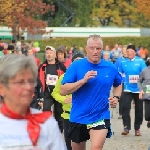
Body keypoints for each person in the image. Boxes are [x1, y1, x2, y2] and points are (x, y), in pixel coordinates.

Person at [60, 34, 122, 150]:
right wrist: (82, 81)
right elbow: (63, 90)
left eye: (98, 48)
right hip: (79, 116)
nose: (95, 51)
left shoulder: (110, 67)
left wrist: (116, 97)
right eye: (92, 48)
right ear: (86, 49)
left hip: (100, 116)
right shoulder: (76, 66)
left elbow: (118, 83)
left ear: (102, 50)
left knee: (96, 148)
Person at [0, 54, 67, 150]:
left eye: (31, 81)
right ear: (2, 88)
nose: (28, 87)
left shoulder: (47, 123)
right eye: (20, 82)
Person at [52, 53, 85, 150]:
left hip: (82, 116)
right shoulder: (64, 77)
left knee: (80, 145)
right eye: (76, 61)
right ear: (72, 63)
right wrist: (64, 99)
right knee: (69, 145)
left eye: (81, 61)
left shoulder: (87, 78)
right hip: (68, 116)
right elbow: (55, 93)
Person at [119, 44, 146, 136]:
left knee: (139, 109)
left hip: (139, 89)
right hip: (127, 88)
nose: (128, 53)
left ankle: (137, 128)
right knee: (125, 107)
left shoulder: (140, 61)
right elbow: (119, 73)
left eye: (130, 51)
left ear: (134, 52)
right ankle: (126, 127)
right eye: (127, 51)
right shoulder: (124, 62)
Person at [38, 45, 66, 133]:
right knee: (46, 110)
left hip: (58, 92)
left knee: (59, 112)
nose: (49, 55)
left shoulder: (61, 66)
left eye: (51, 53)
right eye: (47, 53)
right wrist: (39, 94)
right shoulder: (42, 67)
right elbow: (38, 81)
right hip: (47, 93)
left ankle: (59, 131)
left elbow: (66, 79)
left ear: (55, 55)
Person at [137, 59, 150, 128]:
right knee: (147, 116)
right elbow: (139, 81)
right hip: (148, 96)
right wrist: (141, 90)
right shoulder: (145, 71)